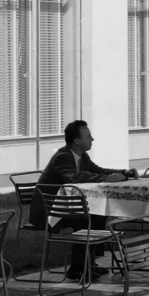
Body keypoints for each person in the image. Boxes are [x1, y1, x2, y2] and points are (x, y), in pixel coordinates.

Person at [33, 119, 136, 281]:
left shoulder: (82, 156)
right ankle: (77, 269)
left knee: (99, 214)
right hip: (51, 210)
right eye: (88, 136)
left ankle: (89, 263)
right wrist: (107, 178)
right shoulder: (62, 157)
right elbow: (74, 177)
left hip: (67, 207)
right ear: (77, 141)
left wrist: (123, 172)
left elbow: (99, 171)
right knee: (85, 219)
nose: (92, 139)